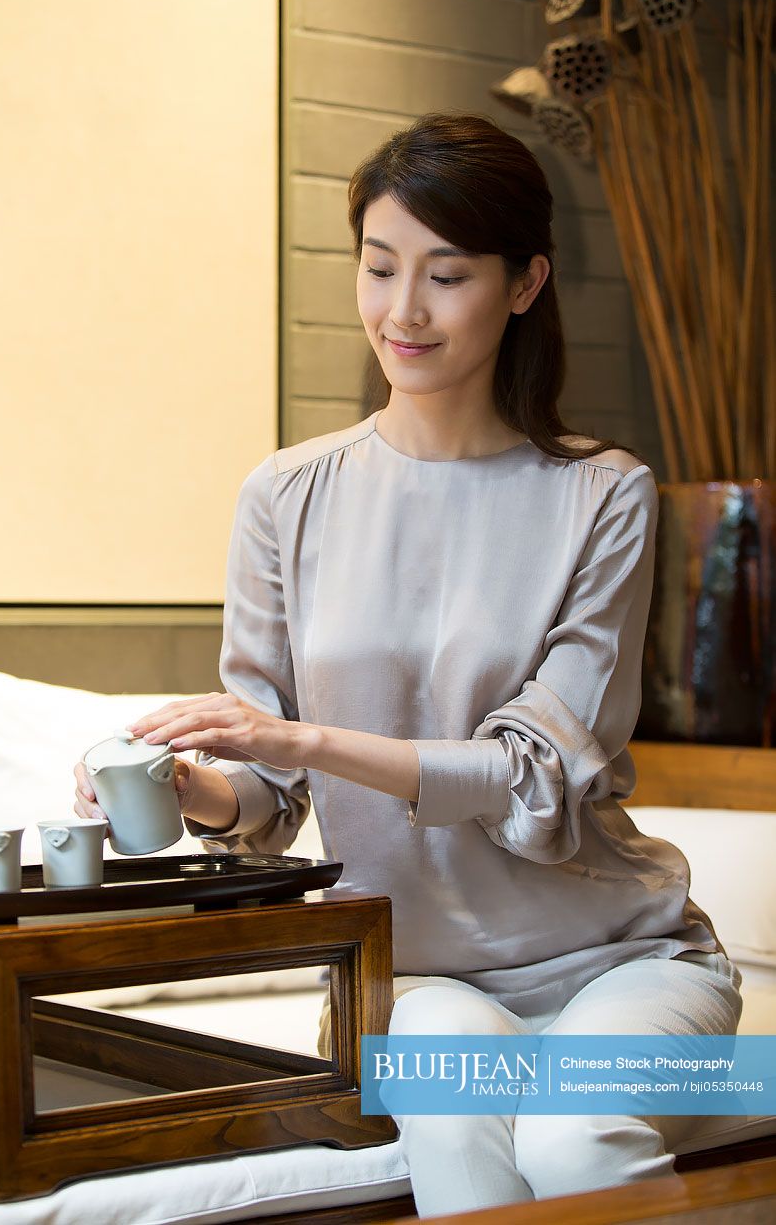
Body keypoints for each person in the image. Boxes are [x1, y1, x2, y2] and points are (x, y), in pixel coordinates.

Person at [74, 112, 743, 1218]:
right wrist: (194, 783)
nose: (403, 311)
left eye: (447, 275)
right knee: (463, 1143)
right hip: (416, 974)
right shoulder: (285, 497)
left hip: (630, 965)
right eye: (380, 268)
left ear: (524, 283)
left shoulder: (604, 495)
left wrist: (297, 738)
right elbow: (269, 791)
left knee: (576, 1141)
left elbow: (531, 776)